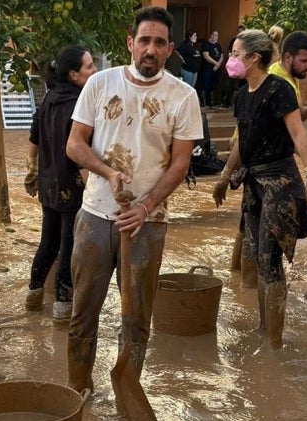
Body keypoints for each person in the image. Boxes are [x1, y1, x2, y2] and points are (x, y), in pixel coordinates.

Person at [65, 6, 203, 393]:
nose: (150, 49)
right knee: (82, 315)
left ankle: (127, 389)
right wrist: (107, 172)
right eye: (144, 40)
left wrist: (145, 206)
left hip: (148, 222)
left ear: (170, 49)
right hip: (94, 215)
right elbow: (75, 144)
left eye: (159, 43)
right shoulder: (100, 84)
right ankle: (79, 391)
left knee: (137, 319)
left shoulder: (183, 96)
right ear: (130, 43)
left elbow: (180, 164)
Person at [212, 29, 307, 350]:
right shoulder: (243, 95)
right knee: (258, 257)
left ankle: (274, 343)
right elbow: (242, 140)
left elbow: (298, 134)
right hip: (254, 184)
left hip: (280, 183)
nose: (231, 60)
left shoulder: (278, 90)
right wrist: (224, 176)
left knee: (270, 257)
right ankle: (264, 329)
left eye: (236, 54)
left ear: (253, 58)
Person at [230, 30, 307, 287]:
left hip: (268, 165)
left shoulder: (284, 84)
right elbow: (291, 132)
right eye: (305, 61)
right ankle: (242, 281)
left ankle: (243, 285)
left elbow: (293, 129)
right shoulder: (270, 84)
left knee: (261, 247)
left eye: (235, 54)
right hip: (253, 157)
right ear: (288, 57)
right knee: (251, 236)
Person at [23, 46, 98, 326]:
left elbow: (33, 140)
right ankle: (62, 312)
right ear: (73, 75)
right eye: (89, 67)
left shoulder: (49, 99)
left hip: (49, 186)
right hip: (72, 186)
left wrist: (31, 173)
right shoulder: (78, 105)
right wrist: (95, 189)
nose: (94, 71)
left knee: (48, 243)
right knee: (68, 248)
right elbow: (78, 155)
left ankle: (33, 297)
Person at [220, 24, 246, 109]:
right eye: (239, 32)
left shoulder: (247, 42)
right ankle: (225, 103)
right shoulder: (234, 40)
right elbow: (230, 52)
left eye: (241, 31)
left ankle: (239, 104)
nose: (240, 33)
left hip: (241, 67)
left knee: (238, 87)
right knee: (227, 85)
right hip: (233, 65)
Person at [200, 30, 223, 108]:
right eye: (213, 34)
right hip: (207, 68)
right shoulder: (206, 44)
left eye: (216, 35)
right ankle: (204, 103)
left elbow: (221, 56)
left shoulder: (218, 45)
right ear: (210, 35)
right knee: (205, 85)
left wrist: (218, 64)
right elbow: (206, 56)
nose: (214, 36)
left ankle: (211, 103)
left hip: (216, 69)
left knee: (213, 85)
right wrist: (216, 63)